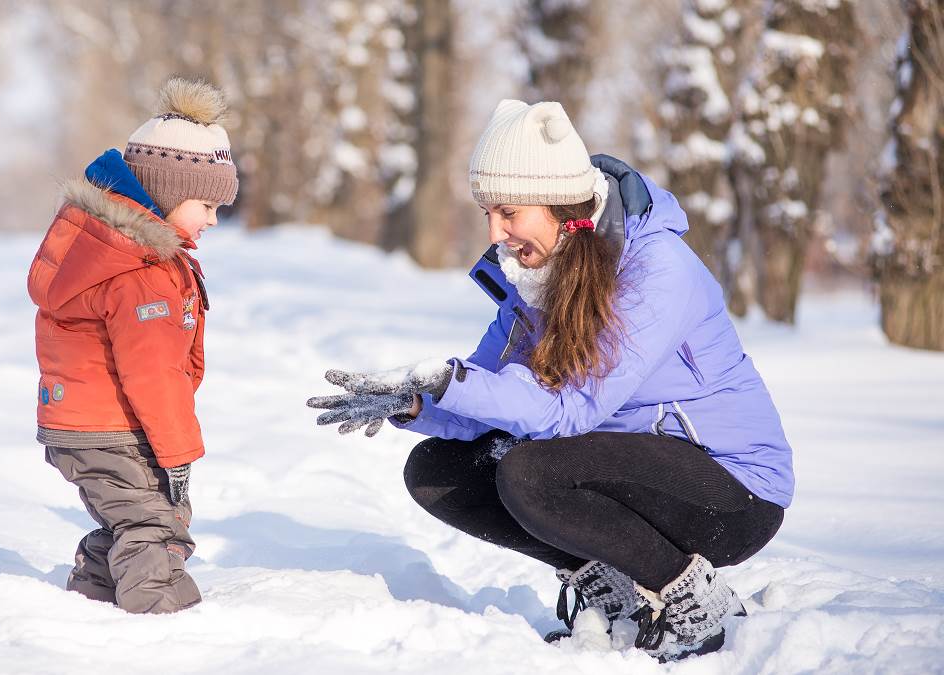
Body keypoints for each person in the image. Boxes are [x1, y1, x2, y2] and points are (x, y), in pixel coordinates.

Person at [308, 100, 791, 662]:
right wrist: (420, 401)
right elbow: (486, 391)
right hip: (622, 472)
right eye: (487, 213)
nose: (495, 232)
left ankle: (696, 603)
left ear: (561, 207)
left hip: (730, 490)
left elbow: (570, 409)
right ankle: (616, 596)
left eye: (508, 212)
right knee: (439, 470)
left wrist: (450, 380)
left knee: (531, 473)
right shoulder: (536, 276)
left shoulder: (657, 269)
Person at [27, 78, 237, 614]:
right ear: (167, 193)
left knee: (130, 515)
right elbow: (155, 373)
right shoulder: (139, 271)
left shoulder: (119, 253)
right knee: (156, 525)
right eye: (207, 203)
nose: (214, 218)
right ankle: (160, 622)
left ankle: (94, 598)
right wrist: (179, 455)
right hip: (111, 426)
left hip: (83, 423)